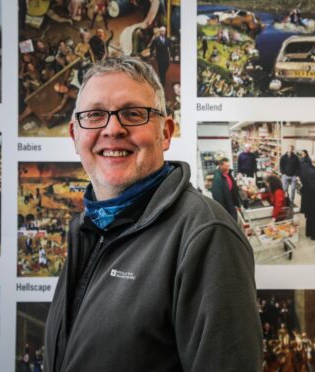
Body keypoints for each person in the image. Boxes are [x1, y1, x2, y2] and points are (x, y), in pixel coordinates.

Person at [44, 56, 262, 371]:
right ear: (74, 136)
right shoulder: (89, 228)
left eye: (133, 114)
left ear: (166, 133)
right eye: (94, 115)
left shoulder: (205, 235)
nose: (112, 129)